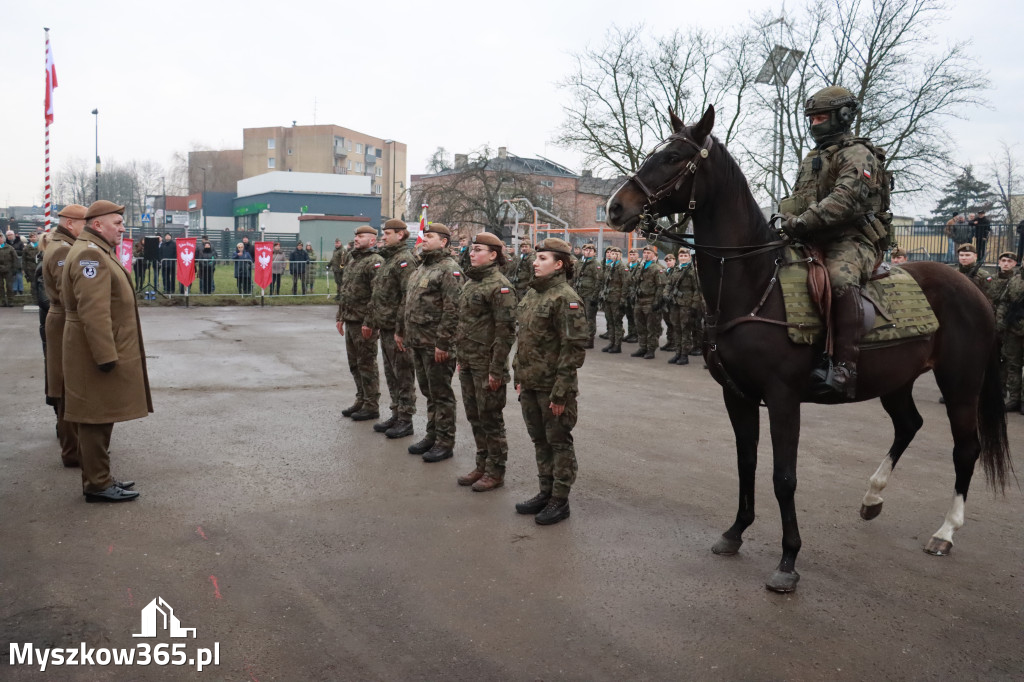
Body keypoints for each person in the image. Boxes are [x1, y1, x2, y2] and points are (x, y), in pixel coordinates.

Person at [779, 85, 889, 399]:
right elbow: (799, 201)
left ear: (843, 116)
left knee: (840, 278)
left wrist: (800, 223)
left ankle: (845, 367)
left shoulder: (858, 153)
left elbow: (845, 201)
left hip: (851, 239)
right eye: (811, 119)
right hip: (810, 236)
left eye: (821, 117)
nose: (814, 124)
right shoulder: (813, 157)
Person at [61, 200, 151, 502]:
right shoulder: (90, 254)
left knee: (102, 414)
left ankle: (100, 478)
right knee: (94, 418)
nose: (123, 228)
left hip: (96, 348)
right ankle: (97, 484)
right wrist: (106, 356)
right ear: (97, 224)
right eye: (117, 223)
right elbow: (94, 312)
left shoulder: (96, 249)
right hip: (95, 352)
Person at [513, 237, 588, 525]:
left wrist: (561, 393)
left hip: (553, 387)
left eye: (543, 258)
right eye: (536, 257)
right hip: (531, 383)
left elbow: (573, 350)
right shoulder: (533, 294)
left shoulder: (565, 298)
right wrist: (519, 373)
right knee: (539, 441)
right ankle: (545, 491)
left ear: (559, 264)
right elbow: (524, 340)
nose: (535, 262)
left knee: (558, 442)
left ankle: (560, 499)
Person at [454, 232, 516, 491]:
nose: (472, 253)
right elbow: (464, 324)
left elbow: (506, 331)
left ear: (493, 254)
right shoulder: (471, 283)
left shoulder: (500, 286)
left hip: (487, 364)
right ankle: (482, 464)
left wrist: (496, 369)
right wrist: (460, 356)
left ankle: (495, 471)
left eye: (478, 249)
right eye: (471, 249)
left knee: (491, 418)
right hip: (468, 360)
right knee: (474, 416)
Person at [396, 222, 462, 462]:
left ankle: (445, 441)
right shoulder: (422, 267)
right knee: (428, 392)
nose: (424, 240)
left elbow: (453, 310)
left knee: (441, 394)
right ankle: (432, 435)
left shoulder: (448, 269)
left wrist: (444, 343)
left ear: (443, 241)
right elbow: (409, 301)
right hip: (419, 342)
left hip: (436, 344)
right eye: (424, 236)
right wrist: (401, 330)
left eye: (430, 236)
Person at [364, 219, 419, 438]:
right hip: (385, 327)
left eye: (387, 233)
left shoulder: (405, 261)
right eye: (383, 233)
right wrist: (371, 320)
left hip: (396, 329)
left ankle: (406, 419)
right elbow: (378, 295)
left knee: (403, 374)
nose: (383, 237)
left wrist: (401, 330)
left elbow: (407, 298)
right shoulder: (389, 259)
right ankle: (396, 413)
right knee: (391, 373)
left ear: (401, 235)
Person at [43, 205, 88, 467]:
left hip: (60, 319)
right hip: (63, 322)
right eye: (85, 222)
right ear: (70, 223)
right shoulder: (63, 248)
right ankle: (72, 450)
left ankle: (73, 447)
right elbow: (66, 291)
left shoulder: (63, 243)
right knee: (66, 388)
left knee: (66, 387)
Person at [336, 226, 384, 421]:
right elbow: (345, 290)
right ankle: (361, 399)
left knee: (366, 363)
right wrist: (340, 316)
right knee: (354, 364)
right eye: (355, 235)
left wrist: (369, 321)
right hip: (350, 319)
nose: (356, 239)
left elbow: (377, 295)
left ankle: (371, 404)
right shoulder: (352, 258)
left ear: (372, 240)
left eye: (361, 236)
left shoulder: (375, 262)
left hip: (364, 322)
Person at [996, 261, 1024, 412]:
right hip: (1013, 329)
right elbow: (1004, 302)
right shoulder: (1014, 280)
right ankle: (1014, 399)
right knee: (1012, 365)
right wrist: (1000, 321)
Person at [631, 245, 666, 359]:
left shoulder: (656, 268)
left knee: (651, 327)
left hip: (650, 300)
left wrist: (657, 301)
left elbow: (661, 286)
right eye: (644, 252)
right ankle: (642, 347)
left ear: (653, 255)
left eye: (648, 253)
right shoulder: (640, 267)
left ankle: (651, 349)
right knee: (640, 325)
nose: (646, 254)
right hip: (639, 300)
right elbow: (635, 281)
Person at [571, 243, 602, 349]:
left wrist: (595, 296)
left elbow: (598, 281)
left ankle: (589, 339)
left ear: (594, 252)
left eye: (590, 250)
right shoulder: (579, 263)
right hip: (579, 293)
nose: (587, 251)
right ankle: (581, 337)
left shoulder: (595, 264)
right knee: (580, 316)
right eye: (585, 250)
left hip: (590, 294)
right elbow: (574, 277)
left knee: (590, 317)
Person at [600, 246, 628, 353]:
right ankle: (611, 342)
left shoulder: (622, 267)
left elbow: (626, 284)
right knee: (610, 321)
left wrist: (623, 299)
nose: (614, 256)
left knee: (617, 322)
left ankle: (617, 345)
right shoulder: (609, 266)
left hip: (617, 298)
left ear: (620, 255)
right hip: (608, 298)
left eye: (617, 254)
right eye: (612, 254)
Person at [659, 253, 677, 351]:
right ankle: (670, 341)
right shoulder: (665, 272)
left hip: (673, 301)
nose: (668, 262)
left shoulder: (677, 271)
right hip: (665, 301)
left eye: (670, 260)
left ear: (674, 260)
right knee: (668, 322)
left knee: (674, 322)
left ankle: (674, 343)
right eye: (667, 261)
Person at [624, 249, 640, 343]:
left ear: (637, 255)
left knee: (636, 316)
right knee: (629, 315)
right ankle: (631, 333)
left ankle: (636, 335)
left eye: (634, 254)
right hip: (627, 294)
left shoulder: (640, 267)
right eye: (631, 254)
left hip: (635, 295)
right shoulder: (626, 266)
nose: (632, 256)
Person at [0, 230, 16, 306]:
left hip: (8, 269)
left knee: (9, 286)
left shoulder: (10, 248)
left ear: (3, 239)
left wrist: (14, 269)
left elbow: (15, 259)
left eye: (1, 237)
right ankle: (2, 301)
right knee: (0, 287)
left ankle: (11, 301)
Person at [22, 234, 40, 299]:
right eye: (31, 237)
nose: (33, 238)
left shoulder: (41, 246)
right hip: (30, 268)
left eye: (34, 237)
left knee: (41, 284)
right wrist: (24, 269)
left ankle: (41, 298)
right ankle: (35, 299)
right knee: (33, 284)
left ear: (37, 238)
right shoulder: (26, 248)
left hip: (40, 267)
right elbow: (24, 259)